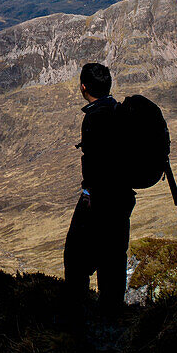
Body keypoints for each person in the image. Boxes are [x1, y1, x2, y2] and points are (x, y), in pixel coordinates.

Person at [63, 62, 135, 321]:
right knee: (113, 255)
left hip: (100, 199)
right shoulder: (119, 111)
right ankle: (113, 314)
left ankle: (78, 316)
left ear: (83, 87)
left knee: (75, 255)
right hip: (123, 197)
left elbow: (95, 162)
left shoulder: (95, 117)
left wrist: (91, 197)